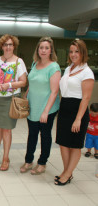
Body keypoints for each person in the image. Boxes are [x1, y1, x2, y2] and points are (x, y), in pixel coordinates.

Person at [55, 40, 94, 185]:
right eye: (71, 51)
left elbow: (86, 98)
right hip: (65, 107)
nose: (73, 54)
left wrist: (78, 119)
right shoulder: (69, 68)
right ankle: (67, 172)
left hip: (78, 110)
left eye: (76, 51)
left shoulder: (87, 72)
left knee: (75, 145)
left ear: (83, 52)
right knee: (63, 143)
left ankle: (67, 173)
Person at [20, 37, 61, 175]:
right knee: (32, 135)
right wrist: (25, 96)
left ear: (51, 50)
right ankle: (28, 160)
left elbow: (55, 91)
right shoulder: (35, 63)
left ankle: (42, 162)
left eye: (46, 48)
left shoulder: (54, 67)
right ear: (38, 49)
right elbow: (31, 83)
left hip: (47, 108)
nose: (43, 50)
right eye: (41, 47)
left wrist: (46, 111)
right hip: (33, 106)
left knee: (45, 136)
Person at [0, 34, 27, 171]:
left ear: (14, 46)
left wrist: (9, 84)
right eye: (6, 44)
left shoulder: (18, 61)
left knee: (7, 129)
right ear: (2, 46)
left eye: (10, 44)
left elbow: (23, 81)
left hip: (10, 99)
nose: (8, 47)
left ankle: (6, 158)